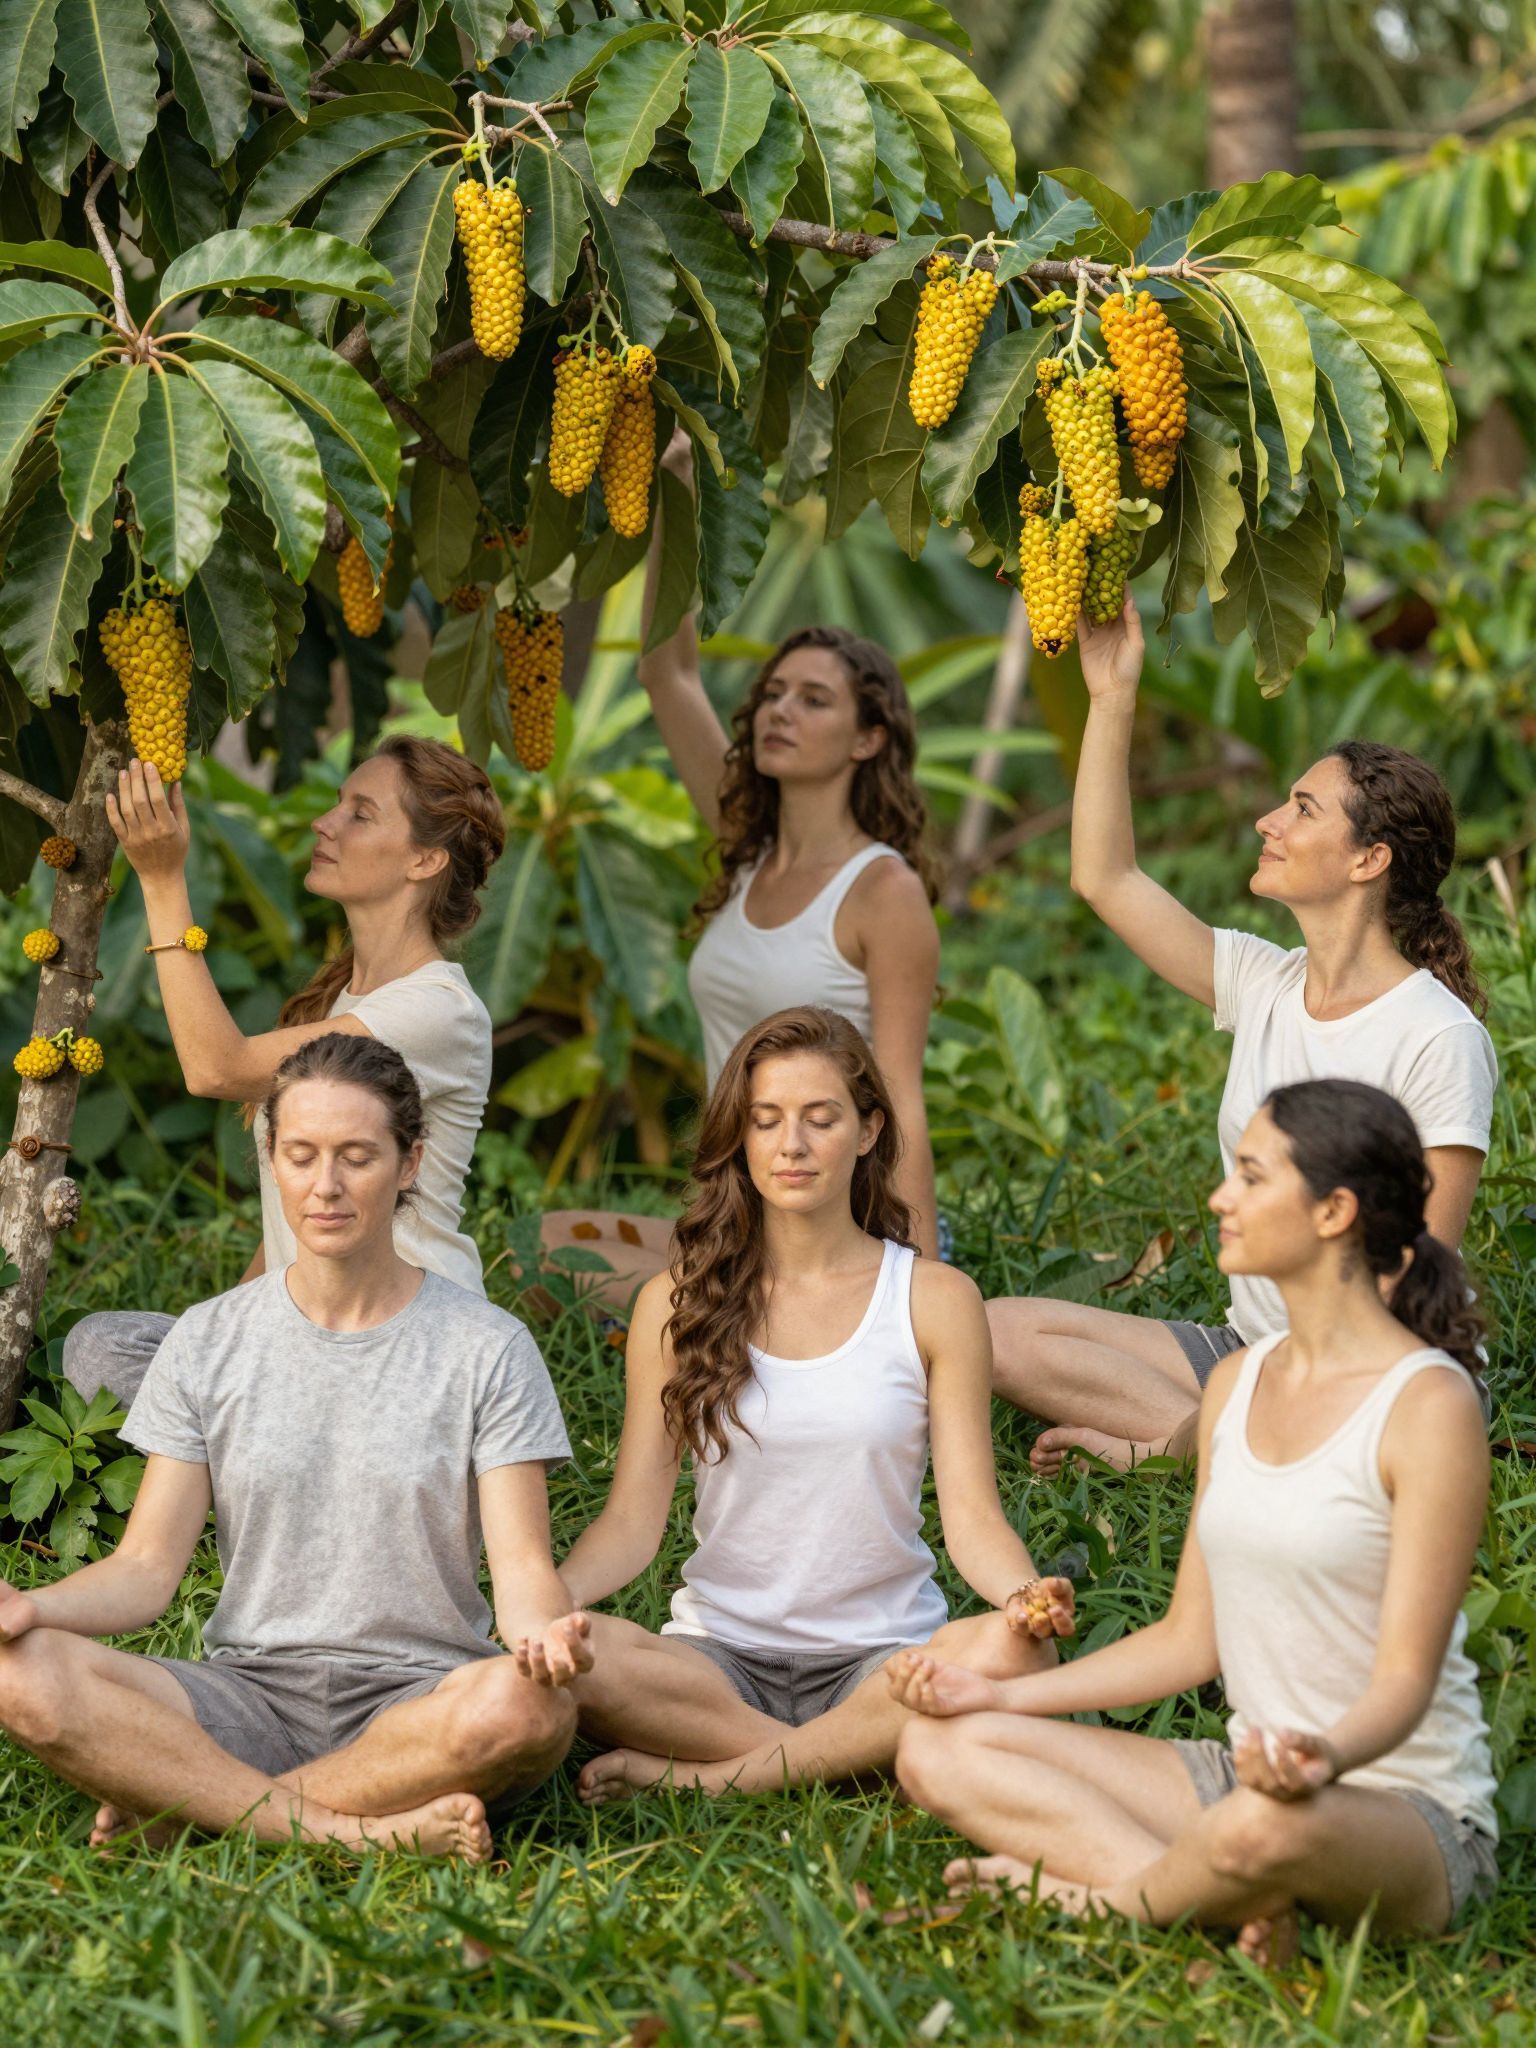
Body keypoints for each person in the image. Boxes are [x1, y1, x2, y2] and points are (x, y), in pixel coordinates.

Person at [892, 1078, 1498, 1956]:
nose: (1221, 1195)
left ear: (1333, 1211)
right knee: (935, 1751)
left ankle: (1103, 1902)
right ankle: (1237, 1903)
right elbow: (1187, 1642)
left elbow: (1406, 1678)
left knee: (1263, 1830)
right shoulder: (1232, 1388)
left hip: (1401, 1811)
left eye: (1251, 1177)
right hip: (1243, 1779)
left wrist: (1318, 1760)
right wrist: (1000, 1694)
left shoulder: (1427, 1405)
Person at [0, 1035, 585, 1861]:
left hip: (419, 1701)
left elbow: (523, 1569)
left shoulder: (487, 1348)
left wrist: (542, 1641)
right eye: (302, 1154)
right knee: (16, 1671)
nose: (327, 1186)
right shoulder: (208, 1339)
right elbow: (143, 1573)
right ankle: (357, 1831)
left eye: (358, 1156)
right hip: (246, 1695)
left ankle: (192, 1807)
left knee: (528, 1710)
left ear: (409, 1162)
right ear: (269, 1157)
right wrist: (36, 1606)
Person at [989, 595, 1495, 1474]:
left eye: (1303, 809)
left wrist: (1283, 1386)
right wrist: (1112, 696)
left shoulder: (1436, 1037)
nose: (1271, 820)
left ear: (1369, 860)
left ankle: (1193, 1445)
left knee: (1255, 1401)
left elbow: (1417, 1278)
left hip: (1374, 1373)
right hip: (1247, 1347)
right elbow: (1104, 877)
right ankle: (1220, 1437)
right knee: (993, 1329)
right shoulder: (1265, 981)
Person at [516, 1006, 1074, 1801]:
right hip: (718, 1660)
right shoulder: (674, 1304)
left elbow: (973, 1518)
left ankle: (721, 1779)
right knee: (586, 1657)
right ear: (739, 1138)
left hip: (883, 1659)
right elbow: (632, 1525)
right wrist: (552, 1608)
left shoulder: (933, 1299)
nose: (793, 1145)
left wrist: (1024, 1601)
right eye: (766, 1121)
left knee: (1020, 1656)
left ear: (869, 1129)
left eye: (821, 1119)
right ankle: (849, 1763)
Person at [539, 436, 942, 1300]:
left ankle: (787, 1303)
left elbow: (901, 1096)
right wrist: (674, 492)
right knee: (541, 1245)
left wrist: (917, 1292)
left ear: (868, 739)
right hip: (735, 1209)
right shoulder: (749, 851)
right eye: (773, 693)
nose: (779, 711)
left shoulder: (883, 891)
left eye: (815, 699)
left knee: (580, 1275)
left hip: (832, 1218)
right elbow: (666, 670)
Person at [63, 735, 506, 1408]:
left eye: (360, 813)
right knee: (104, 1346)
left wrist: (161, 880)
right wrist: (226, 1334)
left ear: (424, 859)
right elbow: (293, 1227)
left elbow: (217, 1068)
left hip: (402, 1351)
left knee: (146, 1376)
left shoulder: (438, 1012)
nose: (324, 823)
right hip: (308, 1330)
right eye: (337, 804)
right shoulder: (340, 1001)